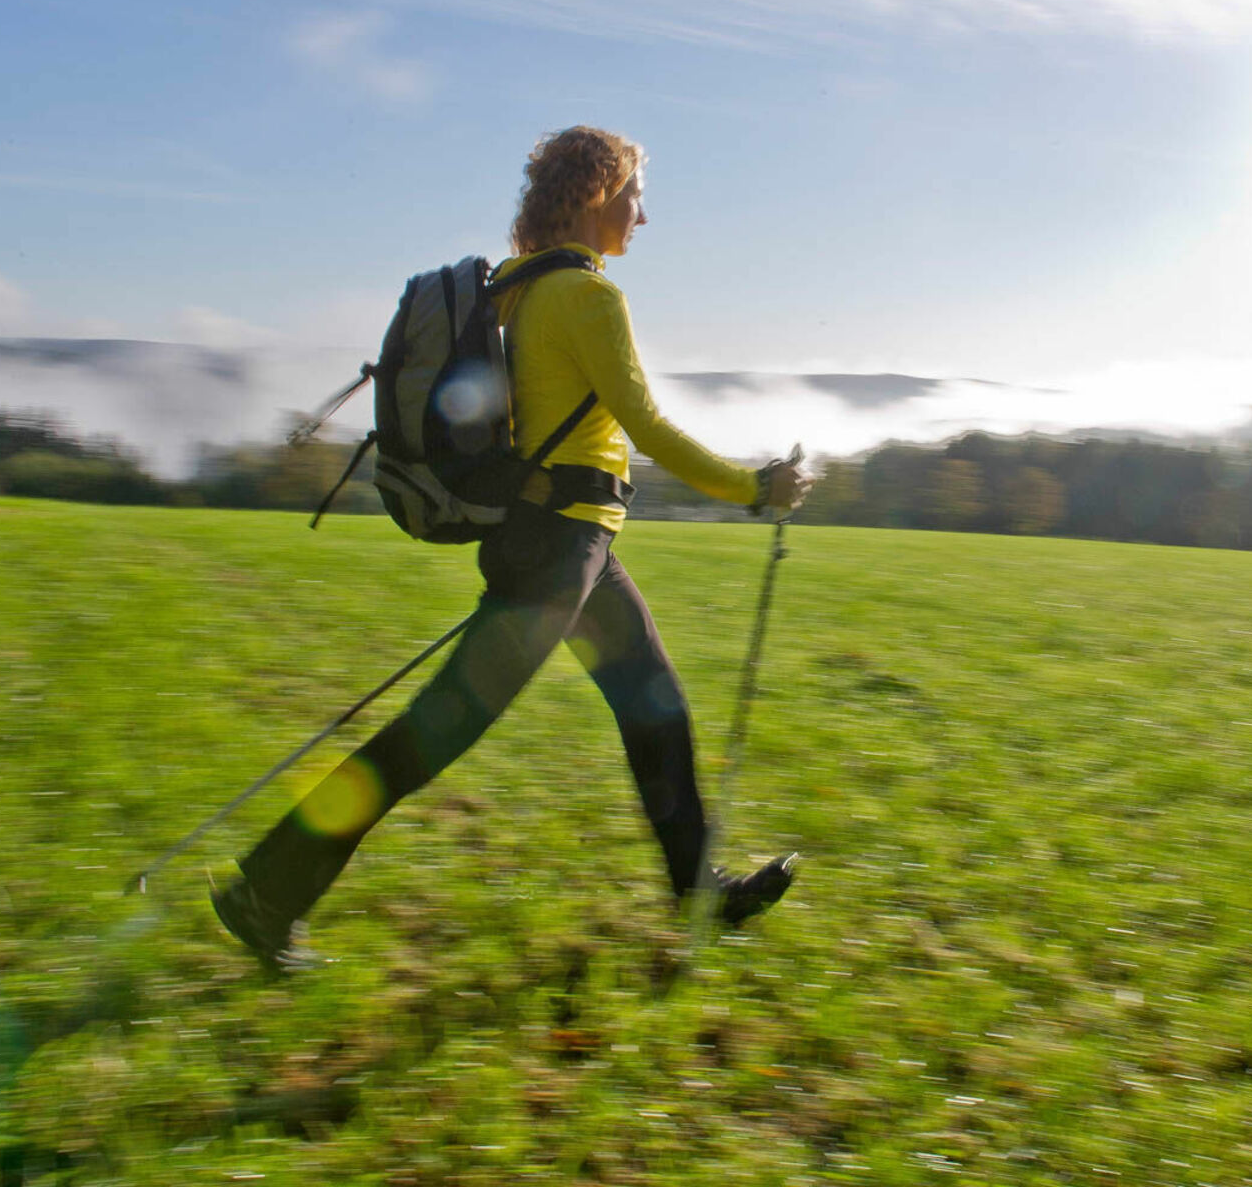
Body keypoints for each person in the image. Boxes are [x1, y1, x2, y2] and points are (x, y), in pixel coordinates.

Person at [213, 126, 814, 972]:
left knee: (657, 711)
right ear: (595, 195)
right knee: (431, 736)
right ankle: (266, 891)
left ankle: (698, 891)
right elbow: (646, 427)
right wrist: (755, 487)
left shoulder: (520, 291)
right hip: (557, 552)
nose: (644, 216)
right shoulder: (587, 297)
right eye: (635, 195)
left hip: (573, 548)